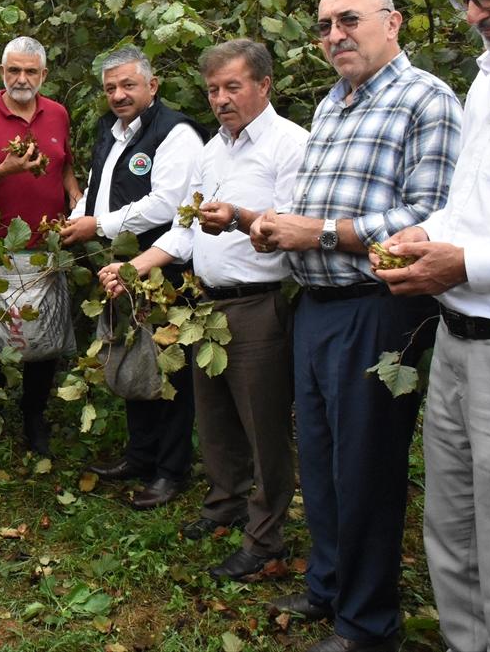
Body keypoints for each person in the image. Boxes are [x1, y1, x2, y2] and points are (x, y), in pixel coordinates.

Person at [251, 0, 461, 652]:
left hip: (378, 309)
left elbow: (429, 216)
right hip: (316, 305)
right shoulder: (332, 104)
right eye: (323, 25)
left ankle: (368, 625)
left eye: (347, 19)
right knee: (320, 456)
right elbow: (316, 206)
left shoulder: (425, 97)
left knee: (366, 466)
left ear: (392, 21)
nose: (334, 34)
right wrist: (279, 226)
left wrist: (321, 233)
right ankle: (330, 585)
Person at [98, 40, 306, 578]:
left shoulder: (291, 145)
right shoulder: (214, 149)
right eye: (213, 89)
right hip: (205, 305)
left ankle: (265, 538)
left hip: (260, 304)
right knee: (215, 420)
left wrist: (237, 217)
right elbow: (185, 228)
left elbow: (291, 228)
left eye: (232, 86)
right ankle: (224, 505)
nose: (220, 99)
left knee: (262, 426)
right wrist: (135, 266)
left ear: (263, 85)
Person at [373, 0, 490, 652]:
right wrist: (426, 234)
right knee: (452, 530)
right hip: (458, 343)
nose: (474, 15)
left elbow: (489, 242)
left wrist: (473, 261)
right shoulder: (488, 81)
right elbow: (472, 206)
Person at [67, 46, 207, 510]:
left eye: (128, 85)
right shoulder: (112, 133)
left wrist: (99, 226)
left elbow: (168, 203)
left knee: (168, 369)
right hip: (120, 267)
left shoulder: (176, 133)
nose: (119, 95)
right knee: (132, 358)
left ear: (153, 85)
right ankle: (140, 456)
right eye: (110, 87)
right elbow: (96, 191)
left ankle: (170, 470)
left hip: (165, 267)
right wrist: (72, 221)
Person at [0, 36, 83, 456]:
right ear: (2, 73)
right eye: (15, 70)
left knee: (42, 338)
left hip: (46, 245)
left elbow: (63, 165)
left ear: (44, 75)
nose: (22, 79)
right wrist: (4, 170)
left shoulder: (58, 115)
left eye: (31, 71)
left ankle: (34, 418)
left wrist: (76, 198)